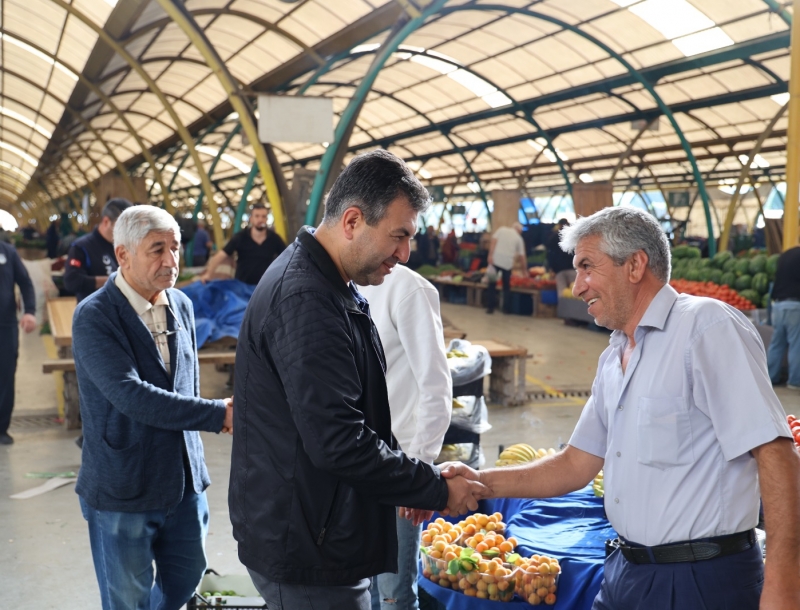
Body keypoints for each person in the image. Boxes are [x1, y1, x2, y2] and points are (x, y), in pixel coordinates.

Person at [438, 207, 800, 610]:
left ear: (635, 265)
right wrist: (479, 481)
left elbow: (775, 453)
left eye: (587, 267)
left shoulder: (705, 327)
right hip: (625, 573)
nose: (577, 287)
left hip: (701, 581)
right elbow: (575, 463)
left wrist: (784, 584)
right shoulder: (615, 357)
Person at [229, 149, 486, 610]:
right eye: (399, 236)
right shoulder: (306, 298)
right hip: (308, 543)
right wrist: (434, 486)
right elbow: (338, 440)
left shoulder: (330, 281)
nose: (405, 253)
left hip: (314, 525)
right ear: (352, 221)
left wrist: (419, 473)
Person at [72, 206, 234, 610]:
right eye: (157, 249)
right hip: (123, 487)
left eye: (175, 248)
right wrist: (218, 414)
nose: (171, 261)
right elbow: (130, 395)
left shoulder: (181, 304)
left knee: (187, 578)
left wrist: (196, 458)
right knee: (127, 598)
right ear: (123, 254)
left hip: (181, 480)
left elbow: (186, 384)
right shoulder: (95, 315)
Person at [359, 265, 452, 610]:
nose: (403, 250)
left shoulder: (409, 290)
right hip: (351, 464)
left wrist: (419, 471)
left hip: (396, 471)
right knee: (359, 590)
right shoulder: (337, 286)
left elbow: (436, 386)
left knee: (394, 595)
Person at [0, 240, 36, 445]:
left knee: (5, 376)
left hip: (5, 326)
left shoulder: (7, 252)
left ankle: (1, 428)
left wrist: (29, 312)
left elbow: (25, 282)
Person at [64, 198, 132, 302]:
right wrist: (115, 281)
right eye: (121, 227)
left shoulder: (125, 246)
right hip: (93, 313)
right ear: (106, 221)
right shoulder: (82, 246)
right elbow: (72, 281)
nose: (125, 232)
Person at [199, 203, 285, 285]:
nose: (260, 219)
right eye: (257, 216)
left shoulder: (274, 239)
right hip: (242, 286)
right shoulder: (240, 237)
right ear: (251, 219)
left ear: (267, 219)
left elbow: (288, 256)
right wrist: (208, 274)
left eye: (263, 216)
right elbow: (220, 256)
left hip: (266, 287)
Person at [767, 242, 800, 389]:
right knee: (796, 344)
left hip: (778, 305)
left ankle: (769, 378)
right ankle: (795, 381)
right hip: (795, 305)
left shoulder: (785, 255)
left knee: (776, 344)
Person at [486, 222, 526, 314]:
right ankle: (506, 309)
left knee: (492, 285)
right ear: (519, 230)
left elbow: (493, 242)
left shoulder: (501, 229)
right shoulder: (519, 238)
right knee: (506, 287)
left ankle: (490, 308)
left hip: (496, 260)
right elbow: (522, 256)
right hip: (507, 263)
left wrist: (490, 255)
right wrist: (524, 270)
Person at [547, 218, 576, 295]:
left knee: (561, 292)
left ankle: (563, 306)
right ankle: (575, 307)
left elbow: (550, 254)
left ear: (559, 225)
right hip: (572, 268)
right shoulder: (573, 237)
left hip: (559, 270)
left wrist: (551, 268)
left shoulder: (553, 238)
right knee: (575, 291)